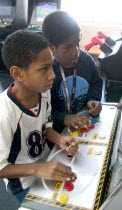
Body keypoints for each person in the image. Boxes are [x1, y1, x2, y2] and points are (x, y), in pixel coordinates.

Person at [0, 30, 79, 203]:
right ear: (18, 74)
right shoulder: (4, 115)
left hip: (47, 163)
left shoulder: (43, 92)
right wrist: (38, 169)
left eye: (51, 65)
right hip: (24, 182)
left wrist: (59, 139)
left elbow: (45, 125)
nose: (52, 75)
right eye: (44, 69)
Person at [42, 11, 103, 133]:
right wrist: (63, 118)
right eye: (68, 47)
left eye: (78, 43)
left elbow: (96, 82)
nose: (76, 51)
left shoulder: (86, 60)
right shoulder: (46, 73)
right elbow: (41, 110)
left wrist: (93, 99)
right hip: (55, 131)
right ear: (52, 48)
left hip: (82, 121)